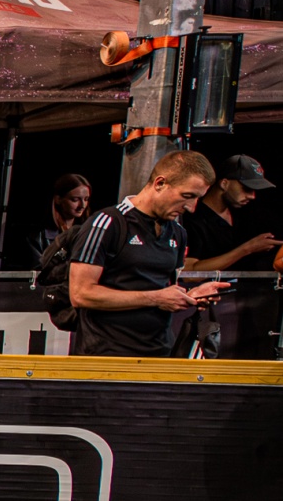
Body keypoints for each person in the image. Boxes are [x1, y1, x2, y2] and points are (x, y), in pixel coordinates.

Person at [69, 150, 225, 356]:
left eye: (197, 198)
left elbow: (163, 291)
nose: (191, 207)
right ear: (160, 183)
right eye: (187, 196)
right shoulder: (107, 223)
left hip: (160, 352)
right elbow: (80, 294)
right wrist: (156, 298)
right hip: (106, 355)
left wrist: (189, 297)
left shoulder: (178, 233)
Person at [185, 155, 278, 270]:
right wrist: (247, 249)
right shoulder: (193, 219)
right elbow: (189, 272)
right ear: (224, 183)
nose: (252, 196)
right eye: (246, 188)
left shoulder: (244, 214)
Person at [24, 173, 92, 267]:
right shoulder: (38, 237)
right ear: (58, 199)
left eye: (86, 199)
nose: (83, 205)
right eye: (75, 200)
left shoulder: (89, 232)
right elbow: (39, 271)